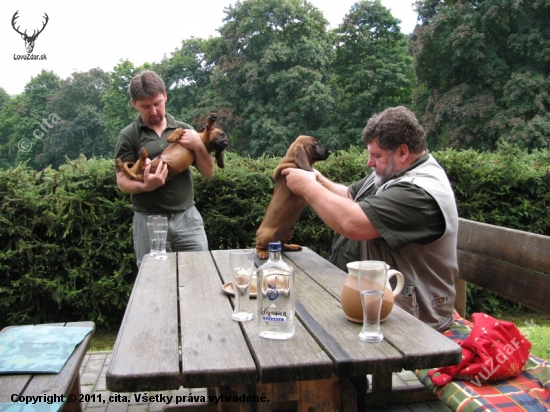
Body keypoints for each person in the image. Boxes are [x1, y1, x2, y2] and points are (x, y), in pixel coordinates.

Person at [281, 106, 458, 331]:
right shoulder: (393, 173)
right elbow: (349, 195)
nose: (369, 163)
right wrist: (317, 178)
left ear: (403, 152)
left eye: (376, 155)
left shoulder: (419, 192)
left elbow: (353, 223)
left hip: (414, 321)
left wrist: (306, 187)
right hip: (380, 305)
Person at [114, 70, 214, 268]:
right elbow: (122, 182)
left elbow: (208, 171)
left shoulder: (185, 129)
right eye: (145, 106)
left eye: (157, 103)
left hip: (188, 219)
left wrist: (198, 146)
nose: (153, 111)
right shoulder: (128, 135)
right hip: (148, 221)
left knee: (199, 275)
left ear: (165, 96)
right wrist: (145, 186)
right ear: (134, 104)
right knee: (153, 280)